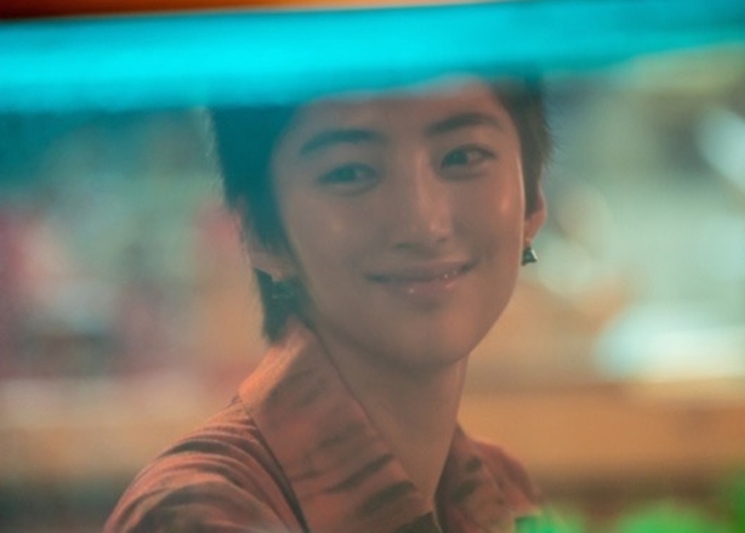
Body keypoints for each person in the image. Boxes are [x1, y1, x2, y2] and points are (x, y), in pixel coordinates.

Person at [103, 75, 550, 533]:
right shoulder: (204, 513)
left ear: (532, 203)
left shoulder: (500, 490)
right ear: (258, 231)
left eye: (463, 157)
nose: (424, 224)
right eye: (350, 172)